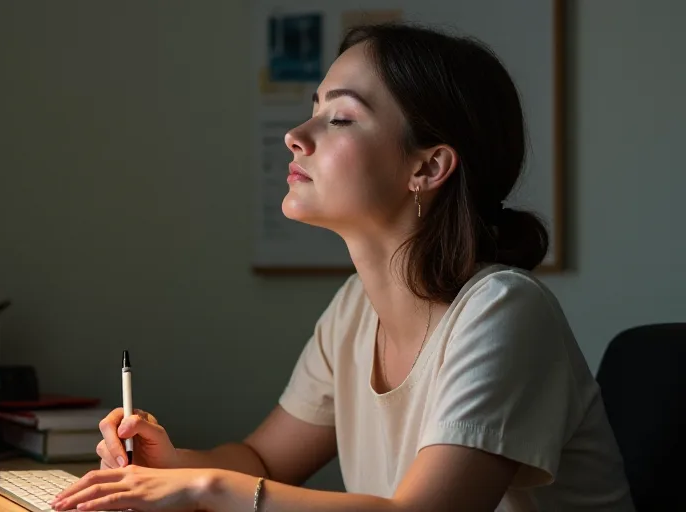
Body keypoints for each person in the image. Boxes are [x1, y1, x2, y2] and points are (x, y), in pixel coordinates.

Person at [51, 23, 634, 512]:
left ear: (428, 168)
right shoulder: (357, 307)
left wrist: (207, 487)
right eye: (313, 111)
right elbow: (262, 460)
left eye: (341, 118)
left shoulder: (505, 311)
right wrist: (171, 464)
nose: (295, 136)